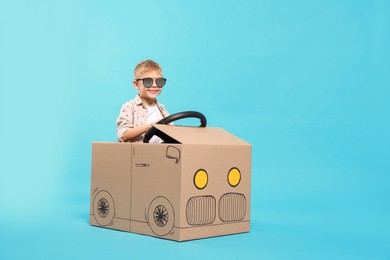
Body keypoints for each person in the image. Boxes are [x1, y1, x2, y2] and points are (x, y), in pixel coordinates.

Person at [116, 59, 169, 143]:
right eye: (148, 81)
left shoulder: (163, 110)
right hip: (138, 154)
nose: (154, 85)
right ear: (136, 84)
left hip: (160, 154)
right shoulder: (129, 107)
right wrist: (153, 126)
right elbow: (123, 136)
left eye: (159, 81)